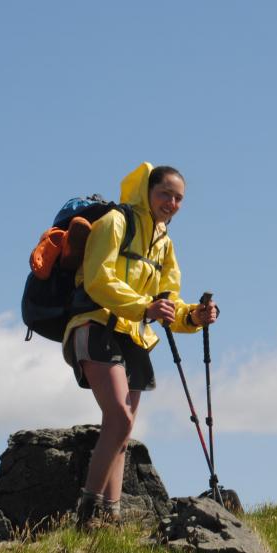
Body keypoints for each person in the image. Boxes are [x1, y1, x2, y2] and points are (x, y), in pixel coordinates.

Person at [62, 162, 219, 530]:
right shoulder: (115, 222)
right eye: (166, 194)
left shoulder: (164, 242)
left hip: (134, 336)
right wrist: (142, 307)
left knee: (122, 428)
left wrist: (193, 317)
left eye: (179, 198)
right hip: (95, 323)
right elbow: (98, 279)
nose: (172, 203)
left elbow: (169, 300)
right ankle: (86, 515)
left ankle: (109, 516)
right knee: (119, 418)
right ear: (147, 191)